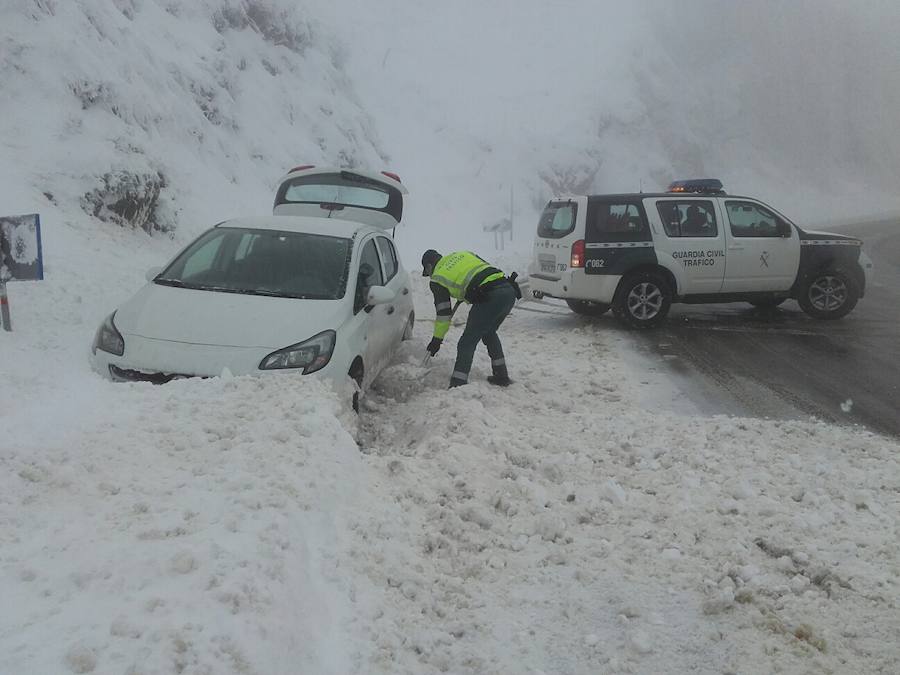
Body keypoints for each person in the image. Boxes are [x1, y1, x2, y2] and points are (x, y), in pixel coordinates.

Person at [422, 249, 519, 388]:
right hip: (508, 290)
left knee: (466, 342)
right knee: (489, 332)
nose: (429, 275)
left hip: (489, 297)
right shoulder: (462, 254)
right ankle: (501, 376)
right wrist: (469, 291)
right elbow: (480, 271)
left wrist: (436, 340)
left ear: (429, 266)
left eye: (427, 272)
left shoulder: (437, 278)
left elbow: (443, 315)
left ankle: (458, 384)